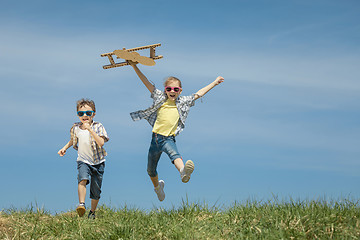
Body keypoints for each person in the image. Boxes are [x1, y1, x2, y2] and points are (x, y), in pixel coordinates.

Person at [129, 61, 224, 201]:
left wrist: (215, 83)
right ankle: (158, 188)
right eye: (169, 89)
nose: (172, 92)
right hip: (155, 139)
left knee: (175, 154)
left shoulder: (183, 102)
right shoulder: (160, 98)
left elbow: (199, 93)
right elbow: (146, 82)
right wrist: (134, 66)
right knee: (150, 170)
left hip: (168, 139)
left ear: (180, 91)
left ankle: (183, 172)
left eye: (175, 89)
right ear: (165, 90)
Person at [58, 99, 109, 219]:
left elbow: (101, 142)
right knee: (83, 179)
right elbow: (73, 140)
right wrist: (64, 148)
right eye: (81, 113)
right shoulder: (75, 128)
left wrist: (90, 129)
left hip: (98, 162)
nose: (84, 115)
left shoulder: (98, 126)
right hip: (83, 160)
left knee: (96, 190)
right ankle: (81, 204)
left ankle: (92, 212)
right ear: (78, 115)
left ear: (93, 114)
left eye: (88, 113)